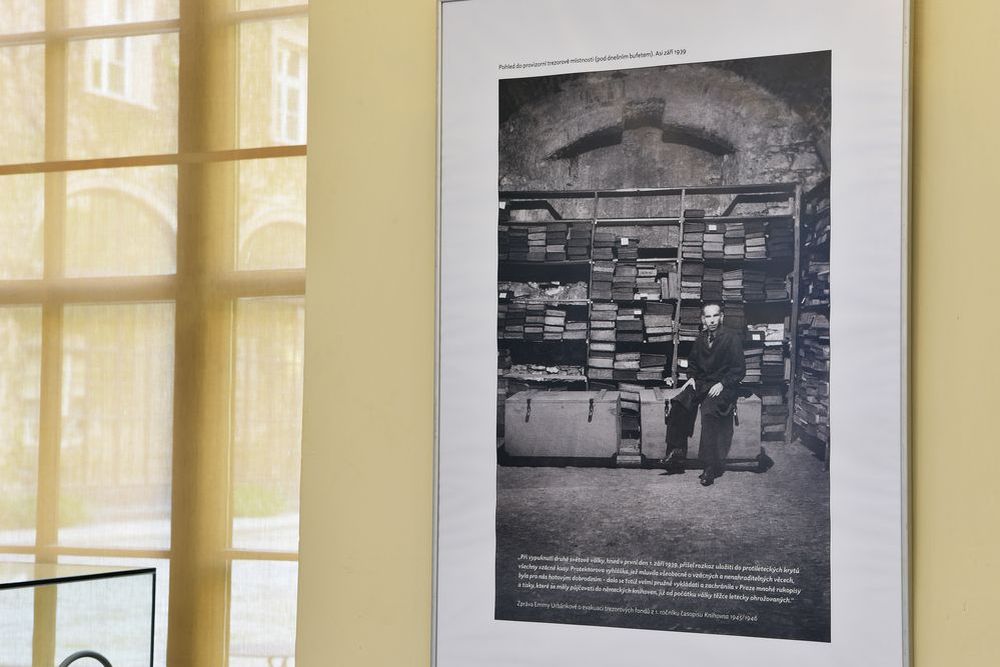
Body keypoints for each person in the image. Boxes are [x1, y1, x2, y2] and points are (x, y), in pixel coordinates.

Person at [662, 303, 745, 486]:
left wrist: (723, 384)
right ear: (703, 319)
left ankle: (710, 466)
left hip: (723, 386)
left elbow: (739, 370)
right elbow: (692, 363)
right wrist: (691, 378)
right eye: (708, 317)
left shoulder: (731, 338)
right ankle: (676, 452)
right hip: (702, 383)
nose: (712, 320)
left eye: (715, 316)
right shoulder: (701, 338)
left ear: (721, 317)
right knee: (680, 401)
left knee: (709, 411)